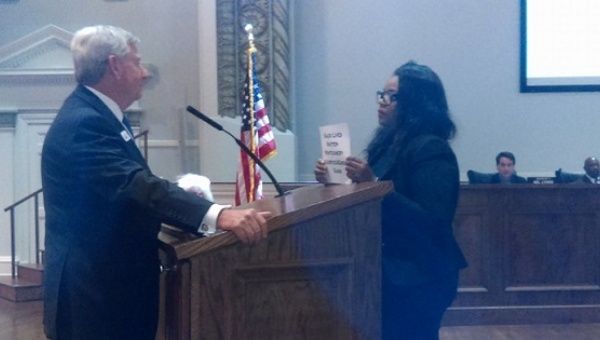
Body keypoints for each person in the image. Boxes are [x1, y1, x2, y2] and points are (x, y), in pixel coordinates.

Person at [41, 25, 270, 340]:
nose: (145, 73)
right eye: (137, 62)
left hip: (107, 291)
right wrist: (218, 214)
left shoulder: (100, 114)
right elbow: (133, 185)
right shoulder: (85, 122)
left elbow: (126, 184)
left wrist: (184, 199)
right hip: (93, 298)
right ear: (114, 66)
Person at [315, 61, 467, 339]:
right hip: (393, 272)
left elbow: (433, 220)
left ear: (415, 102)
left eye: (392, 96)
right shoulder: (388, 143)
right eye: (382, 94)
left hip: (421, 275)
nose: (382, 102)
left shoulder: (431, 148)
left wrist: (373, 186)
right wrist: (335, 181)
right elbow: (371, 198)